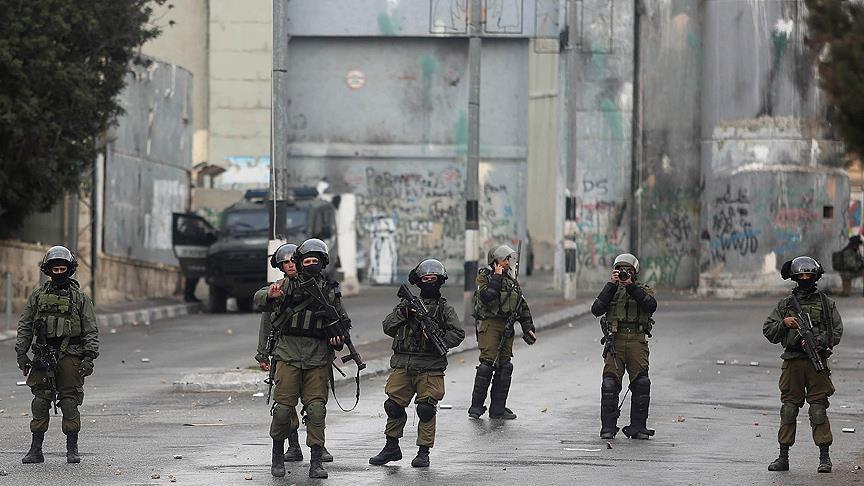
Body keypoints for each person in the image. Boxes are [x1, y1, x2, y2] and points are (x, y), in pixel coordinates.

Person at [253, 239, 344, 478]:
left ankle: (316, 461)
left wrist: (339, 340)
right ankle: (278, 455)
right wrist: (270, 295)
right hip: (288, 355)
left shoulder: (330, 291)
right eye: (307, 261)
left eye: (315, 261)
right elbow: (260, 301)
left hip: (317, 357)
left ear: (322, 263)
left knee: (316, 410)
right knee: (283, 410)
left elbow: (342, 322)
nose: (310, 265)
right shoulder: (285, 286)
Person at [369, 259, 465, 468]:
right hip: (403, 364)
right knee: (393, 405)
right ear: (419, 282)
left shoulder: (444, 309)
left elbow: (458, 334)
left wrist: (438, 339)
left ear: (440, 281)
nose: (429, 282)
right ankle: (391, 447)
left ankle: (423, 452)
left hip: (430, 366)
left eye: (433, 279)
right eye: (425, 279)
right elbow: (387, 326)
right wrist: (404, 314)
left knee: (426, 409)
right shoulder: (407, 305)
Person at [15, 246, 99, 464]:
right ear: (48, 270)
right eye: (56, 269)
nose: (59, 272)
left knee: (69, 401)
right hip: (43, 354)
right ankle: (36, 449)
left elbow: (91, 330)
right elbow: (25, 325)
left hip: (71, 355)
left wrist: (89, 357)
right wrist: (22, 354)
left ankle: (72, 448)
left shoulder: (80, 298)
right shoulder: (38, 296)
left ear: (69, 270)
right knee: (40, 401)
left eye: (63, 268)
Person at [763, 256, 843, 473]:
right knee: (789, 409)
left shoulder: (826, 303)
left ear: (815, 277)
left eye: (809, 275)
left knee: (818, 409)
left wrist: (818, 341)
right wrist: (784, 323)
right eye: (802, 275)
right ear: (795, 277)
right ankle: (783, 457)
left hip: (816, 362)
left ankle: (824, 458)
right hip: (792, 363)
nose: (805, 278)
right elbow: (768, 330)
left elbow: (836, 332)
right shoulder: (786, 305)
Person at [590, 253, 657, 440]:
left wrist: (631, 286)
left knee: (641, 383)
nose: (624, 273)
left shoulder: (642, 289)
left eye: (628, 270)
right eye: (620, 270)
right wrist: (611, 285)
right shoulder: (611, 289)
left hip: (637, 339)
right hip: (616, 340)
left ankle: (638, 427)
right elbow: (596, 309)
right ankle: (608, 427)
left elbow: (651, 306)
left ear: (635, 272)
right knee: (609, 384)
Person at [468, 244, 536, 420]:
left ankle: (498, 409)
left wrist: (528, 328)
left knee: (505, 367)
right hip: (490, 325)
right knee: (487, 364)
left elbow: (521, 305)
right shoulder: (484, 277)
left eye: (508, 259)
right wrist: (497, 277)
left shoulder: (511, 281)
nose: (508, 262)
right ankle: (476, 407)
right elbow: (487, 297)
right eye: (505, 259)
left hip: (507, 327)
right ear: (495, 261)